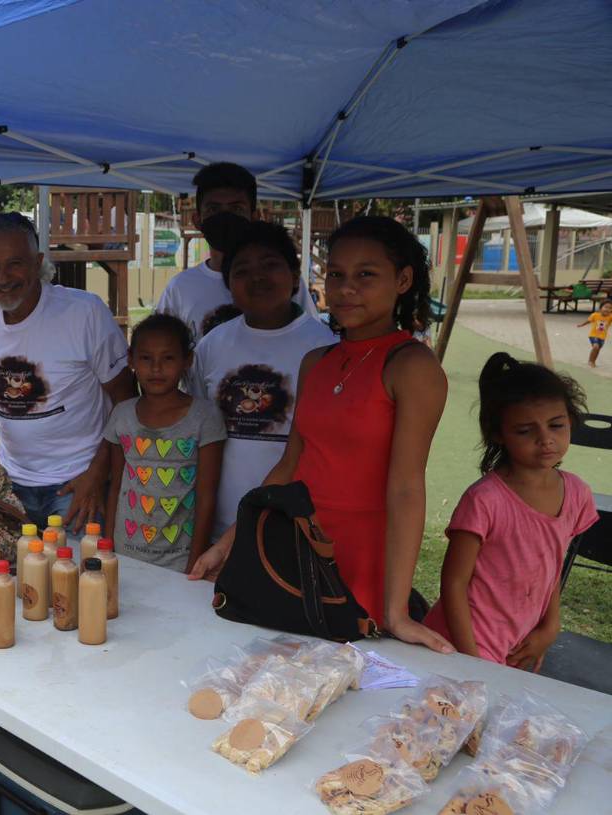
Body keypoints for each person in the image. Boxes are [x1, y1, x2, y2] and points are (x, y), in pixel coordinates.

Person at [192, 216, 454, 654]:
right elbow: (290, 466)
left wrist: (396, 610)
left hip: (363, 555)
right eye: (336, 275)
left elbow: (407, 488)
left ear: (403, 279)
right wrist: (229, 542)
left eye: (366, 275)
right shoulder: (317, 361)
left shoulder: (412, 366)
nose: (346, 287)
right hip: (298, 545)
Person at [0, 212, 136, 531]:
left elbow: (126, 400)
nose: (3, 277)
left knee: (76, 578)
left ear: (37, 262)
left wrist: (98, 474)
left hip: (77, 483)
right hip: (12, 485)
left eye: (15, 263)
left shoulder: (84, 313)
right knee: (15, 579)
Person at [423, 353, 597, 669]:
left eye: (556, 425)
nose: (546, 440)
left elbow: (551, 566)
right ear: (498, 433)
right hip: (465, 643)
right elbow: (453, 583)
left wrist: (549, 627)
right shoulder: (485, 500)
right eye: (525, 431)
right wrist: (471, 660)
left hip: (518, 642)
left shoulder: (577, 494)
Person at [190, 222, 335, 543]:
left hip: (298, 526)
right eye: (242, 271)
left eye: (270, 265)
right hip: (220, 526)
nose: (257, 277)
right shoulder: (212, 346)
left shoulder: (326, 347)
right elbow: (198, 433)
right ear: (228, 284)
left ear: (294, 274)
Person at [103, 313, 225, 573]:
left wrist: (196, 562)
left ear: (186, 361)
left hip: (179, 560)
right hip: (126, 553)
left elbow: (206, 496)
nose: (156, 368)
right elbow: (115, 486)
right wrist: (108, 547)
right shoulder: (121, 415)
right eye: (146, 358)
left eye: (168, 358)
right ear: (131, 360)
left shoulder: (205, 417)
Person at [156, 162, 316, 343]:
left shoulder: (280, 281)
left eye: (236, 209)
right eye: (213, 209)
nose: (225, 217)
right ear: (197, 220)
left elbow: (311, 339)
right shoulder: (180, 288)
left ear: (254, 217)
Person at [577, 298, 612, 367]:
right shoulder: (595, 315)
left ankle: (593, 361)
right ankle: (590, 361)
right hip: (593, 335)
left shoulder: (610, 317)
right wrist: (581, 325)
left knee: (598, 349)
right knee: (595, 347)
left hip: (602, 337)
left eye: (610, 308)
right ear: (601, 308)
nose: (607, 309)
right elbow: (588, 321)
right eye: (605, 307)